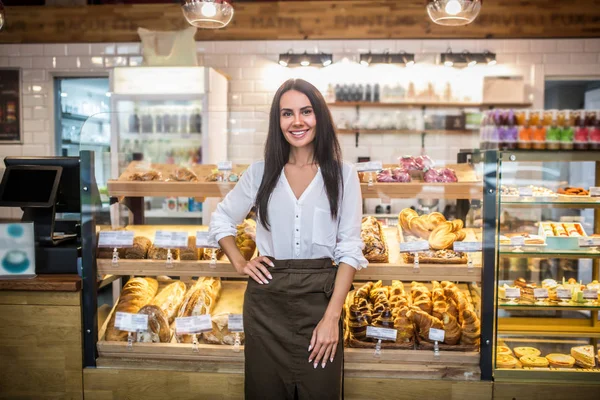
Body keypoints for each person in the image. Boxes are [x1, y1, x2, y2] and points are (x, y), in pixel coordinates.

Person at [209, 78, 367, 400]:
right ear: (277, 121)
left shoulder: (343, 174)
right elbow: (221, 218)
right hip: (267, 306)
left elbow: (350, 249)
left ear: (319, 117)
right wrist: (240, 262)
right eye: (287, 113)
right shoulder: (260, 172)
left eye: (306, 111)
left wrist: (331, 319)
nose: (297, 121)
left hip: (320, 304)